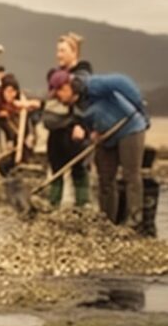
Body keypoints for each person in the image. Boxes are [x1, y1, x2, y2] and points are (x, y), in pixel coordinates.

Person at [49, 69, 149, 231]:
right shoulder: (75, 107)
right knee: (105, 179)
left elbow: (122, 81)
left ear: (67, 86)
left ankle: (135, 220)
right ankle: (107, 221)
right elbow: (88, 122)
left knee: (131, 175)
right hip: (107, 137)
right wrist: (89, 132)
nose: (58, 98)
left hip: (129, 128)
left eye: (59, 92)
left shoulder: (92, 85)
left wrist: (139, 106)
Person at [42, 32, 92, 207]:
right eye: (58, 51)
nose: (58, 55)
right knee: (56, 167)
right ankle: (53, 205)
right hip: (57, 129)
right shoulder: (56, 75)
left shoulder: (83, 74)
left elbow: (85, 102)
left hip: (74, 130)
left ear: (74, 52)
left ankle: (82, 207)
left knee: (78, 169)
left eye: (63, 51)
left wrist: (81, 125)